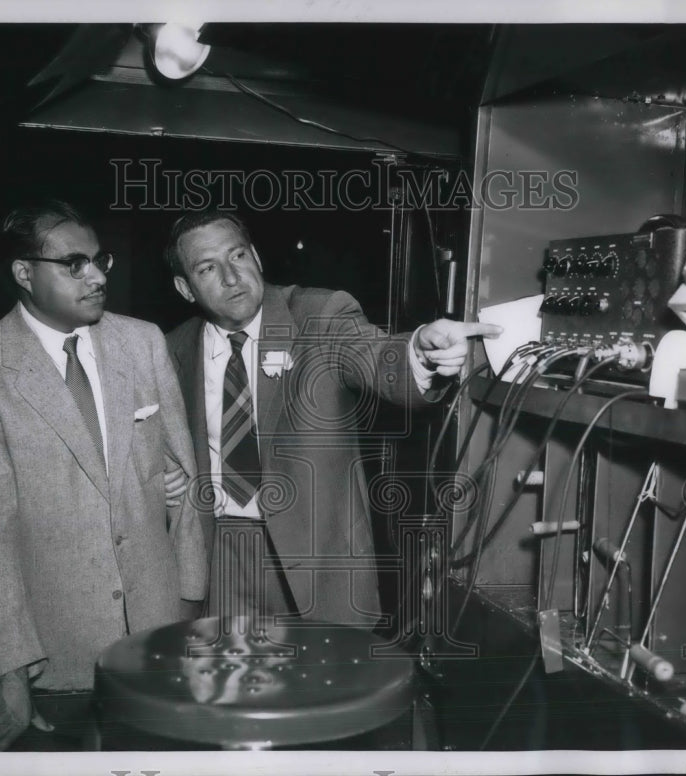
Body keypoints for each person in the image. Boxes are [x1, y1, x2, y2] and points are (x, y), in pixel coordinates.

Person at [0, 200, 205, 751]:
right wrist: (10, 671)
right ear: (24, 273)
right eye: (74, 264)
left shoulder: (142, 343)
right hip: (55, 662)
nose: (96, 277)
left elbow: (183, 486)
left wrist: (187, 604)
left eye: (99, 261)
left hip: (160, 643)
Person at [165, 209, 499, 626]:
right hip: (222, 559)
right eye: (208, 268)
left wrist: (419, 354)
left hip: (318, 560)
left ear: (257, 257)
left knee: (324, 688)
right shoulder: (171, 350)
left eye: (237, 257)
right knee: (231, 685)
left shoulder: (320, 316)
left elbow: (374, 356)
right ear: (185, 287)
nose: (232, 278)